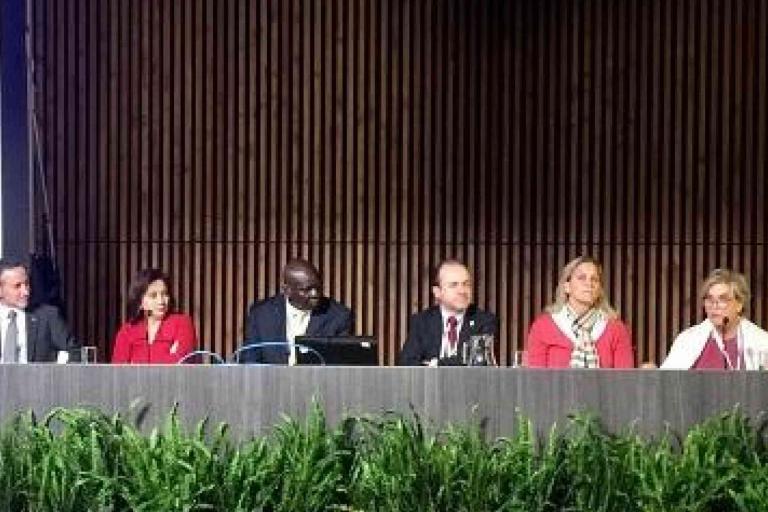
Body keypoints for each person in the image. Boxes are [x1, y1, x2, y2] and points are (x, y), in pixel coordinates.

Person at [526, 256, 634, 368]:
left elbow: (625, 380)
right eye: (582, 278)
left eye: (594, 279)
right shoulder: (542, 327)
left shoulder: (616, 328)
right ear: (567, 287)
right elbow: (535, 380)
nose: (589, 284)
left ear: (599, 289)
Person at [242, 258, 354, 364]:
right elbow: (249, 360)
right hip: (270, 382)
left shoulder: (338, 316)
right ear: (287, 291)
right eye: (307, 289)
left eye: (317, 288)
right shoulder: (261, 314)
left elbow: (340, 364)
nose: (315, 294)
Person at [661, 268, 768, 370]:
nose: (714, 306)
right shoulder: (687, 340)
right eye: (709, 299)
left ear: (739, 304)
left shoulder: (761, 342)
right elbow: (665, 381)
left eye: (723, 299)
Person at [398, 259, 498, 366]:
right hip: (430, 382)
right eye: (454, 285)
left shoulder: (484, 321)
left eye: (466, 284)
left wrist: (434, 364)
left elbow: (476, 360)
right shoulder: (422, 321)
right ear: (437, 292)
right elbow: (407, 362)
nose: (462, 291)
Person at [0, 257, 80, 362]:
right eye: (17, 286)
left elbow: (76, 353)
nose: (26, 292)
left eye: (27, 284)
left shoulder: (48, 316)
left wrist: (56, 361)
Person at [111, 268, 197, 364]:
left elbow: (182, 363)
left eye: (164, 294)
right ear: (141, 302)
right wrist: (169, 356)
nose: (161, 301)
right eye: (153, 296)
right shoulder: (127, 331)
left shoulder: (182, 323)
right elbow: (118, 372)